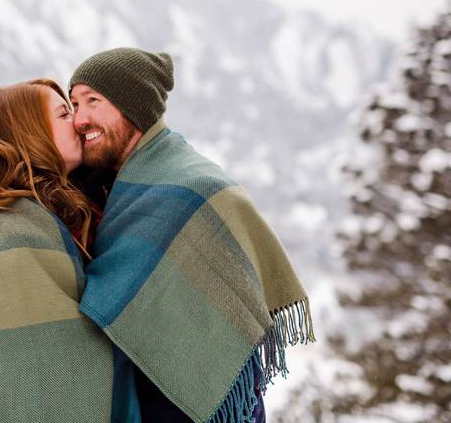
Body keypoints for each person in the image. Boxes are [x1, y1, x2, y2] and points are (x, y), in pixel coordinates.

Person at [70, 48, 315, 423]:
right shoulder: (107, 188)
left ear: (133, 107)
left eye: (93, 101)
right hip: (142, 393)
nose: (79, 118)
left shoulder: (194, 187)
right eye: (73, 103)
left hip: (202, 398)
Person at [0, 79, 140, 423]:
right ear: (27, 132)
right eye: (65, 113)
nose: (78, 122)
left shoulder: (78, 210)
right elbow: (33, 365)